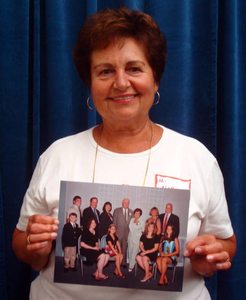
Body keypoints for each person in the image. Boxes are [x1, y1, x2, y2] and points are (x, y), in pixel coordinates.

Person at [12, 6, 236, 300]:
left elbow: (225, 241)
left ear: (155, 80)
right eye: (105, 71)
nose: (120, 83)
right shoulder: (57, 155)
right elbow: (22, 243)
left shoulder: (197, 157)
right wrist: (34, 246)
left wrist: (209, 259)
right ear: (90, 86)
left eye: (134, 68)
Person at [113, 198, 133, 266]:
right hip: (118, 232)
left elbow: (132, 223)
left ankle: (123, 262)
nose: (126, 204)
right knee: (117, 247)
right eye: (125, 202)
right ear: (122, 202)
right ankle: (117, 262)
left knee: (124, 247)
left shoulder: (131, 212)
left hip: (126, 233)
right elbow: (114, 222)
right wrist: (114, 232)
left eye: (127, 203)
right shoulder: (117, 210)